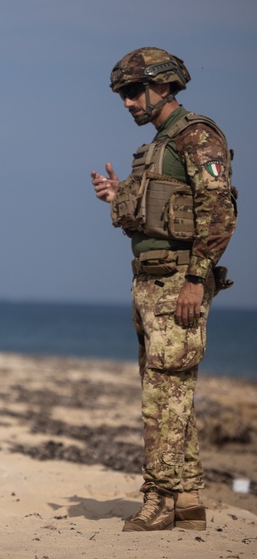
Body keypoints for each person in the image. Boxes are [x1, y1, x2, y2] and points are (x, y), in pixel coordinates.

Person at [91, 47, 237, 533]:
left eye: (134, 91)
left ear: (165, 86)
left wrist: (196, 278)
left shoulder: (197, 135)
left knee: (164, 399)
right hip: (152, 281)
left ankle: (160, 499)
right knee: (170, 393)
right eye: (123, 94)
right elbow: (158, 213)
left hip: (178, 282)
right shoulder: (160, 145)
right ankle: (189, 496)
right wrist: (119, 197)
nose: (128, 102)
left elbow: (220, 212)